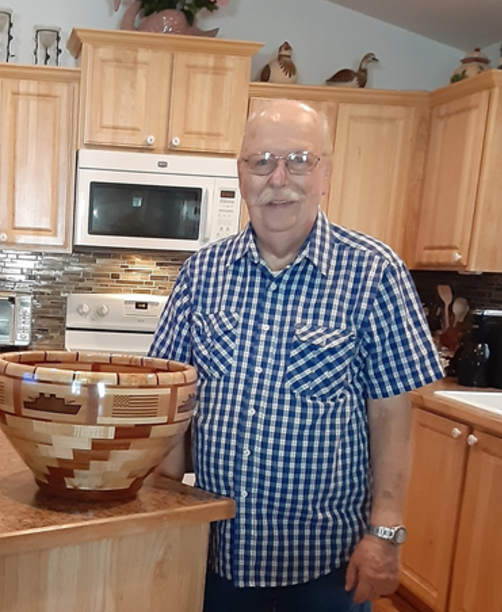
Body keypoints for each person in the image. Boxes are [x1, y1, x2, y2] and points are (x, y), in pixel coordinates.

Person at [149, 99, 443, 611]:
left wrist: (386, 534)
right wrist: (155, 512)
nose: (278, 178)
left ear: (325, 172)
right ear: (241, 173)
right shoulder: (202, 274)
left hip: (327, 565)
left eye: (299, 160)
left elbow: (391, 414)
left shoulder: (375, 272)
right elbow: (174, 403)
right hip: (218, 554)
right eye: (260, 161)